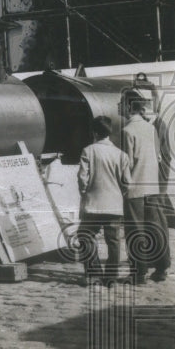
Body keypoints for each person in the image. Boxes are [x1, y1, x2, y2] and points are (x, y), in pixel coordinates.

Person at [121, 94, 171, 283]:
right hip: (153, 185)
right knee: (157, 227)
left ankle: (139, 272)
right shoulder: (151, 128)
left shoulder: (127, 131)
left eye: (121, 104)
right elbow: (159, 157)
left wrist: (123, 187)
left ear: (128, 107)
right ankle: (161, 268)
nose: (120, 108)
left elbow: (128, 163)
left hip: (135, 187)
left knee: (135, 230)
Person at [77, 115, 130, 286]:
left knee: (86, 236)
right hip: (114, 205)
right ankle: (112, 278)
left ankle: (94, 275)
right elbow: (127, 182)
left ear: (94, 133)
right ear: (109, 132)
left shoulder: (88, 151)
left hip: (93, 204)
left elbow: (82, 178)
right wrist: (117, 193)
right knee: (113, 242)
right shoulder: (121, 155)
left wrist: (85, 192)